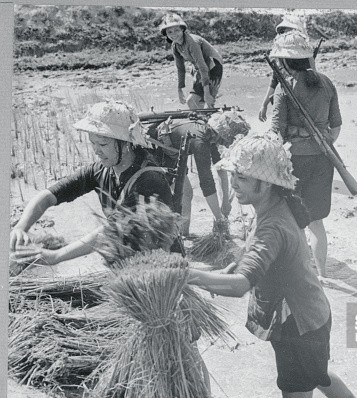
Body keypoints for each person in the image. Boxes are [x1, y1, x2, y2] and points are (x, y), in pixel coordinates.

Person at [186, 132, 357, 398]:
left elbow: (242, 284)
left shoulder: (271, 224)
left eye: (242, 178)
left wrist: (191, 276)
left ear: (266, 183)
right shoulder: (278, 203)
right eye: (234, 176)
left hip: (299, 325)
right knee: (315, 376)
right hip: (311, 314)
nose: (234, 184)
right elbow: (260, 258)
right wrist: (230, 264)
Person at [10, 100, 178, 265]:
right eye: (93, 143)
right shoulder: (100, 170)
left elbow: (112, 230)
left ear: (125, 143)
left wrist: (56, 256)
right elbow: (48, 196)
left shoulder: (149, 179)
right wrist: (21, 227)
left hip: (159, 264)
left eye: (103, 144)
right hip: (128, 259)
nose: (96, 150)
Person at [270, 31, 341, 279]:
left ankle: (300, 271)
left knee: (295, 219)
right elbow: (336, 127)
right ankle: (322, 275)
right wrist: (319, 143)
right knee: (316, 222)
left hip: (294, 161)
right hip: (324, 159)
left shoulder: (284, 89)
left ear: (286, 62)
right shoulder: (327, 83)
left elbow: (276, 135)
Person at [148, 111, 251, 235]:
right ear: (221, 134)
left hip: (175, 153)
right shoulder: (200, 140)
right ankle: (181, 234)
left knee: (186, 193)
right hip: (160, 150)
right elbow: (206, 182)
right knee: (185, 193)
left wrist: (225, 202)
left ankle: (183, 233)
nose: (226, 144)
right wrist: (219, 219)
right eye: (226, 141)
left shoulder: (211, 134)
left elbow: (220, 168)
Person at [160, 13, 223, 110]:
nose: (174, 34)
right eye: (170, 32)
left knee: (205, 101)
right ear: (166, 34)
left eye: (176, 30)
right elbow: (180, 68)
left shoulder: (192, 42)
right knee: (193, 102)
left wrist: (206, 93)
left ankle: (210, 117)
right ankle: (203, 120)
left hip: (213, 66)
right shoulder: (175, 46)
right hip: (200, 68)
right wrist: (180, 90)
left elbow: (203, 66)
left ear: (182, 29)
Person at [258, 14, 314, 122]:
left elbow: (313, 79)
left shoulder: (305, 55)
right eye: (283, 32)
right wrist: (264, 105)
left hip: (302, 103)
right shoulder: (279, 56)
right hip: (286, 101)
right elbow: (274, 82)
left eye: (288, 31)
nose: (285, 34)